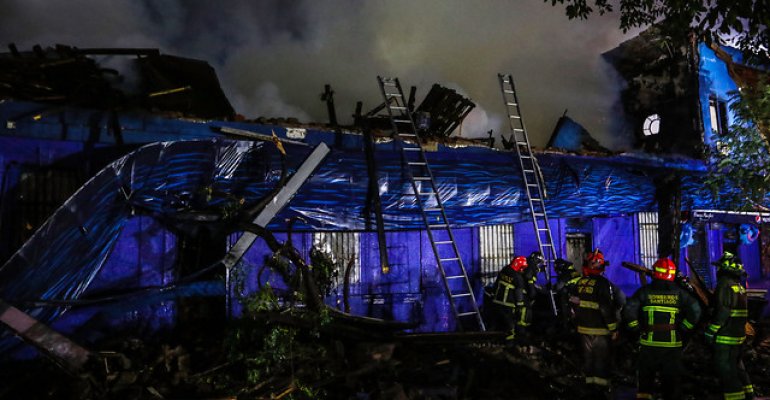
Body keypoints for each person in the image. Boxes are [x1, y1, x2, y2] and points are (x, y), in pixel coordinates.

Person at [623, 258, 702, 400]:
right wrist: (684, 329)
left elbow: (629, 310)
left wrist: (635, 329)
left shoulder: (645, 292)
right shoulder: (680, 294)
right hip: (672, 345)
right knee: (672, 381)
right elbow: (696, 311)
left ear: (655, 273)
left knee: (646, 381)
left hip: (648, 344)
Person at [706, 251, 754, 400]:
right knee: (737, 366)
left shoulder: (724, 285)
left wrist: (710, 331)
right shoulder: (738, 286)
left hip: (725, 336)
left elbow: (723, 311)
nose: (718, 270)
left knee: (726, 369)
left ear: (725, 269)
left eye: (720, 267)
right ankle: (748, 393)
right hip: (738, 335)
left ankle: (735, 397)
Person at [575, 249, 624, 393]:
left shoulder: (581, 282)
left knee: (588, 359)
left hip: (583, 329)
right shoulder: (603, 284)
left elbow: (574, 305)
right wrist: (613, 328)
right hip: (600, 331)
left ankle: (589, 388)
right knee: (601, 361)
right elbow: (606, 309)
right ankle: (601, 390)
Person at [491, 255, 533, 342]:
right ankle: (510, 339)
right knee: (510, 321)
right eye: (522, 268)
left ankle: (496, 337)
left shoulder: (505, 270)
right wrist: (520, 305)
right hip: (508, 303)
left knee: (498, 320)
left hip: (497, 300)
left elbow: (496, 284)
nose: (522, 270)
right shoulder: (517, 277)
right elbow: (519, 292)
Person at [554, 258, 581, 330]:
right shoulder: (574, 271)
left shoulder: (565, 273)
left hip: (571, 297)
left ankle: (568, 329)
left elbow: (558, 287)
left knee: (569, 314)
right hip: (580, 296)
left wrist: (550, 287)